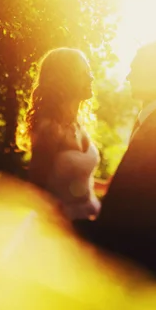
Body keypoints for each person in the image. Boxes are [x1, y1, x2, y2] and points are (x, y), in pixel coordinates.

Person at [73, 41, 156, 284]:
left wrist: (79, 228)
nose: (128, 77)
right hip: (140, 261)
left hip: (139, 267)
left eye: (134, 70)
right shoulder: (155, 122)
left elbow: (140, 210)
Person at [24, 48, 100, 221]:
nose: (91, 77)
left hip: (92, 214)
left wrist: (107, 185)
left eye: (89, 72)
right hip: (64, 226)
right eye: (83, 73)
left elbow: (77, 179)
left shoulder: (79, 123)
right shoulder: (49, 129)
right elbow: (37, 190)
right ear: (64, 80)